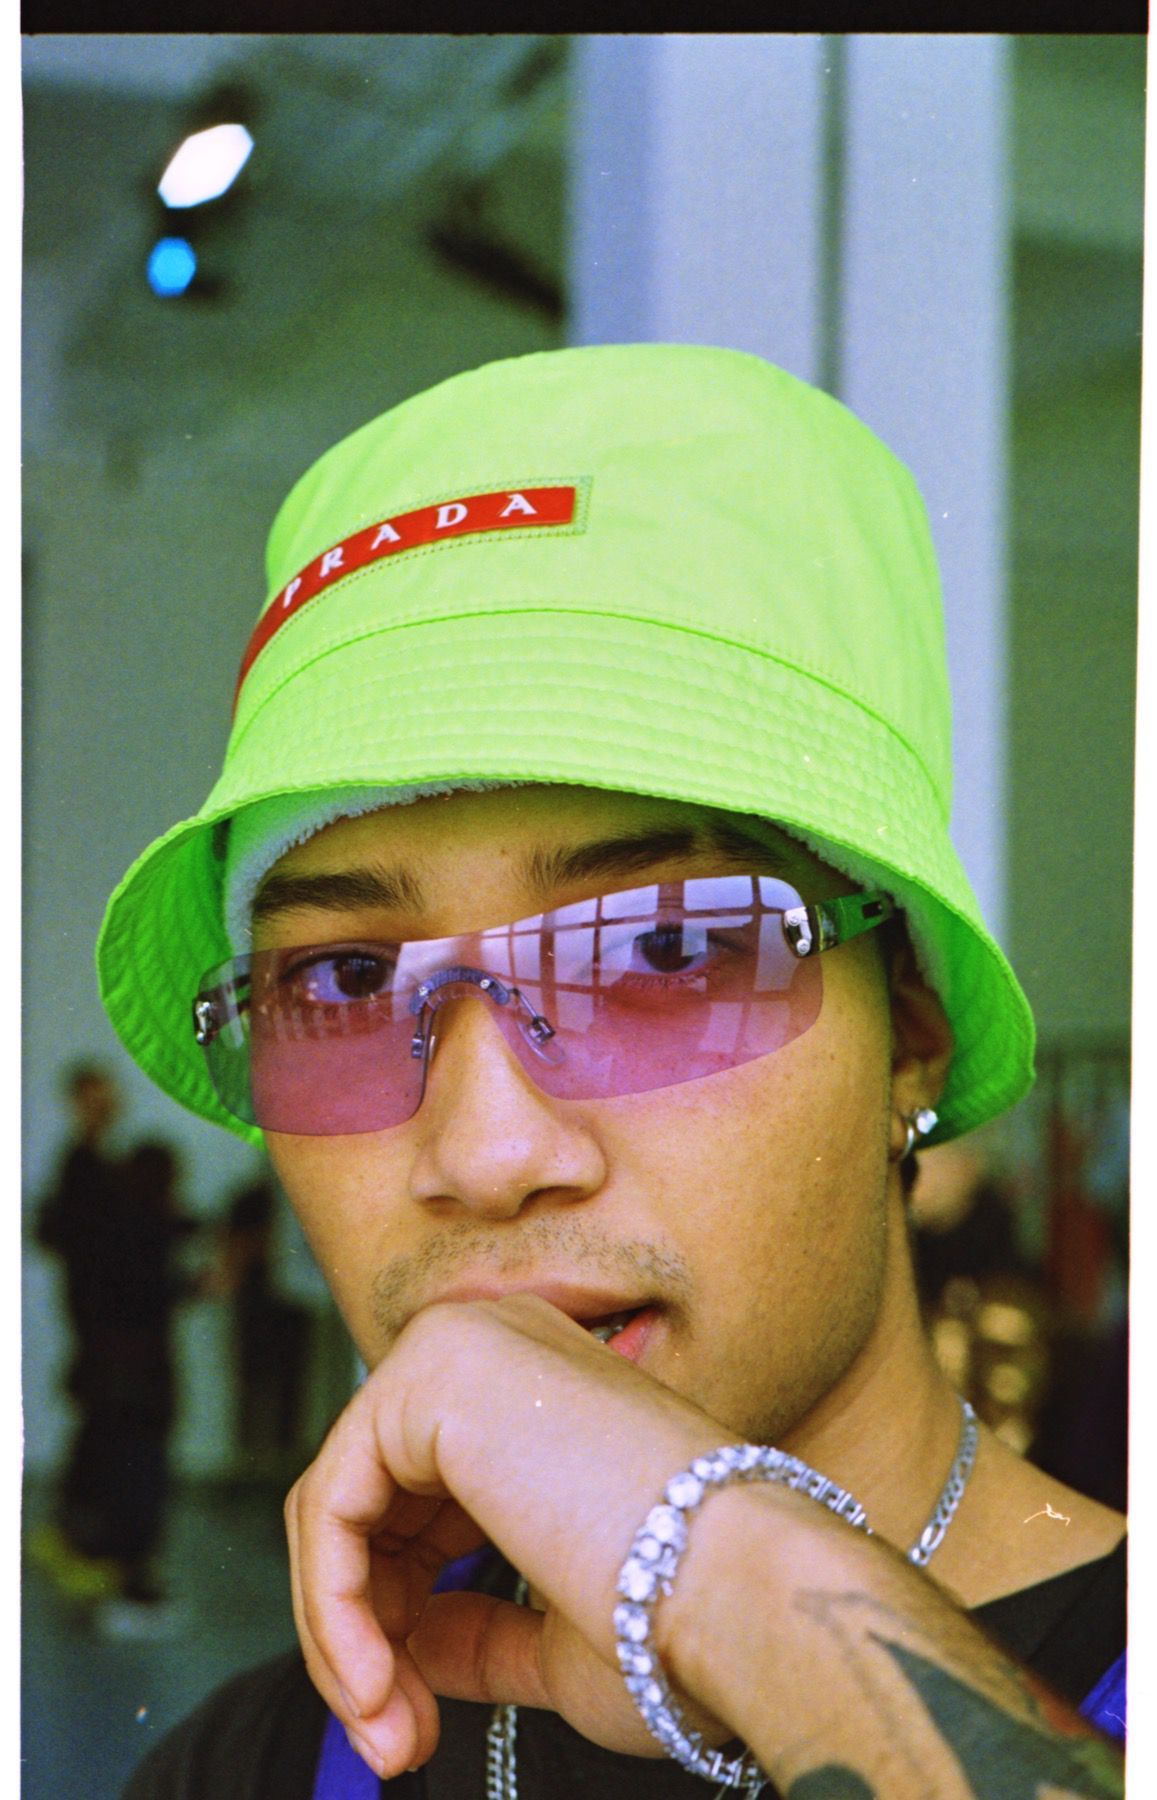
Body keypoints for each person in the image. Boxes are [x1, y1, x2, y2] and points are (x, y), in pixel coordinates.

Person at [97, 345, 1126, 1798]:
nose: (485, 1152)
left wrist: (738, 1575)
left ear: (909, 1026)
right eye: (343, 982)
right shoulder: (251, 1770)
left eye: (660, 951)